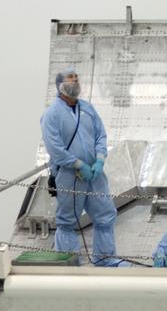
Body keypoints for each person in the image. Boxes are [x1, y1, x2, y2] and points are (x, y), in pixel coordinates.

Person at [40, 67, 119, 266]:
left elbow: (100, 135)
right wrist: (76, 163)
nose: (75, 82)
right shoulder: (52, 114)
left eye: (77, 78)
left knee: (105, 215)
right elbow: (54, 147)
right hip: (69, 175)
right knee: (67, 220)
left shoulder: (87, 108)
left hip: (94, 174)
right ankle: (68, 263)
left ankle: (106, 260)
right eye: (70, 79)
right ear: (60, 85)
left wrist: (100, 158)